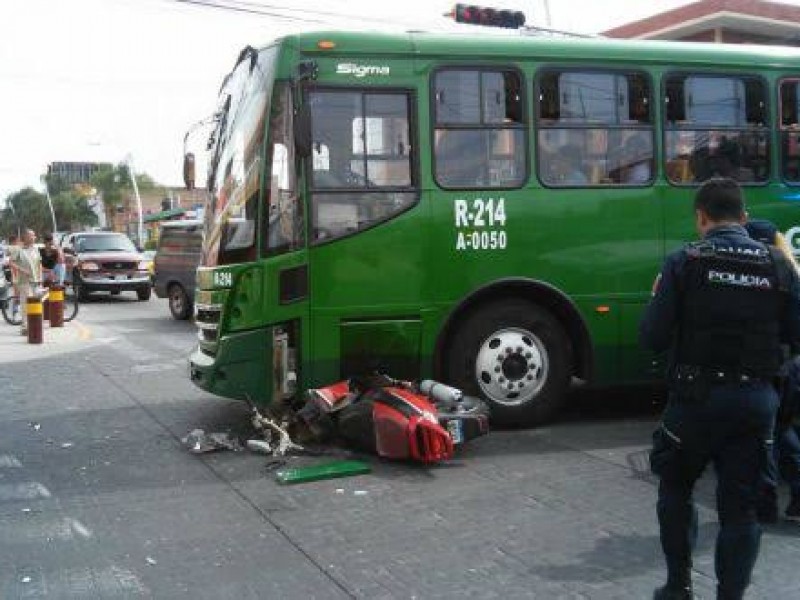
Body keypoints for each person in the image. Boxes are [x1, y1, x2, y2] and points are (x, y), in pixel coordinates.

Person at [640, 178, 800, 600]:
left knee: (675, 487)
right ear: (744, 218)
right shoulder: (779, 266)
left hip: (695, 402)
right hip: (754, 403)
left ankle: (679, 585)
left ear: (701, 218)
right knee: (742, 509)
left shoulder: (684, 262)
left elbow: (653, 337)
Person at [744, 219, 800, 523]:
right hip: (783, 368)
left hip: (766, 370)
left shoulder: (758, 274)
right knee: (780, 431)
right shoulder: (787, 271)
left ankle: (765, 501)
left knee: (769, 435)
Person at [10, 229, 42, 335]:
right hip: (24, 281)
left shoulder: (35, 249)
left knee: (36, 303)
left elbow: (38, 264)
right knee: (25, 304)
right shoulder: (19, 250)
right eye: (32, 236)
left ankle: (34, 325)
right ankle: (24, 327)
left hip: (35, 280)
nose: (34, 237)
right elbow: (11, 263)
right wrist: (22, 270)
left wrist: (40, 278)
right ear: (26, 237)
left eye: (34, 236)